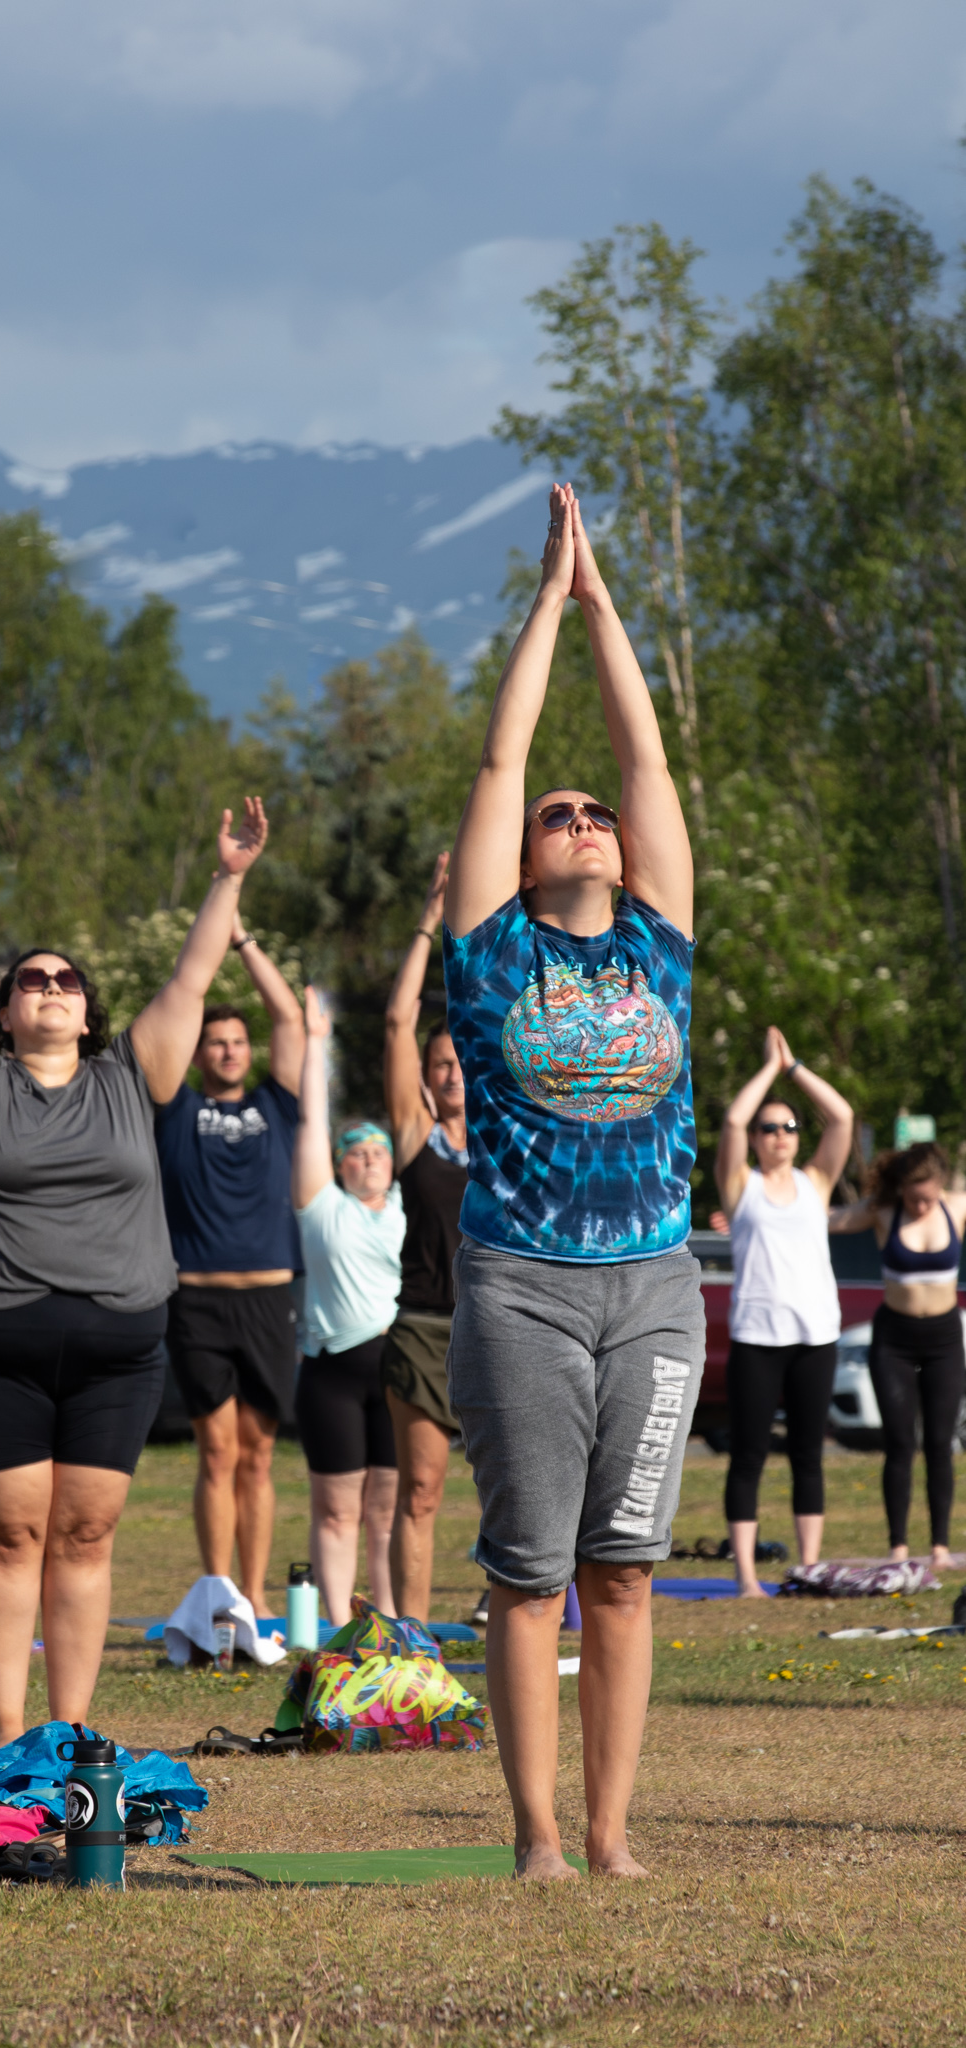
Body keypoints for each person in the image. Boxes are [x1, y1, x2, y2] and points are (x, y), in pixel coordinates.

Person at [0, 772, 269, 1743]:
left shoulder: (133, 1075)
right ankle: (10, 1737)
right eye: (29, 980)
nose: (49, 989)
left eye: (67, 981)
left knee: (86, 1534)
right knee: (11, 1535)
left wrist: (227, 881)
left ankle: (72, 1736)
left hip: (116, 1345)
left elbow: (188, 977)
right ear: (5, 1010)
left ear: (89, 1012)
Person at [442, 481, 705, 1881]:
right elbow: (497, 771)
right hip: (524, 1289)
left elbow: (650, 768)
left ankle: (611, 1835)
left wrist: (610, 608)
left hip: (657, 1287)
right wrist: (544, 603)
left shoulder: (658, 944)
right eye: (564, 816)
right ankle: (536, 1836)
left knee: (623, 1569)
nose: (587, 818)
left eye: (595, 815)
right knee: (531, 1572)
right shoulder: (491, 957)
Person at [155, 921, 304, 1617]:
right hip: (197, 1301)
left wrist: (245, 942)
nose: (227, 1049)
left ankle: (254, 1597)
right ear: (197, 1051)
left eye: (237, 1042)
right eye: (215, 1041)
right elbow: (177, 1014)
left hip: (271, 1299)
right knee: (216, 1452)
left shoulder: (278, 1103)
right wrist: (204, 954)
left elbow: (289, 1017)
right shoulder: (175, 1110)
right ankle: (217, 1596)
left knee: (258, 1454)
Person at [715, 1025, 855, 1596]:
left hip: (814, 1335)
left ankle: (809, 1568)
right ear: (757, 1138)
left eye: (788, 1127)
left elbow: (842, 1117)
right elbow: (729, 1122)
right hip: (756, 1336)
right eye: (769, 1128)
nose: (779, 1135)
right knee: (748, 1455)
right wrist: (767, 1073)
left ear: (799, 1139)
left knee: (807, 1456)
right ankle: (747, 1575)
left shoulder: (816, 1182)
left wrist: (794, 1066)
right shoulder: (740, 1185)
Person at [291, 988, 405, 1628]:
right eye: (356, 1152)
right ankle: (338, 1624)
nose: (368, 1160)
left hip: (395, 1374)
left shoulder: (406, 1212)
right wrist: (315, 1043)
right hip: (331, 1372)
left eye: (379, 1151)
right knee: (336, 1509)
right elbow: (310, 1123)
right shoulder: (321, 1207)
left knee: (386, 1510)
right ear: (339, 1165)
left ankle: (387, 1618)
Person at [381, 851, 467, 1621]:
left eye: (456, 1061)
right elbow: (397, 1019)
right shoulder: (415, 1135)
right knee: (422, 1490)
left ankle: (521, 1614)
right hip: (423, 1326)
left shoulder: (509, 1132)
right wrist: (430, 920)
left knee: (524, 1491)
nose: (447, 1072)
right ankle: (412, 1634)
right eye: (437, 1064)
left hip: (504, 1320)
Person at [830, 1141, 966, 1569]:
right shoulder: (883, 1211)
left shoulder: (957, 1208)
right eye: (913, 1198)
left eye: (927, 1197)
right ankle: (898, 1548)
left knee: (940, 1443)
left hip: (944, 1338)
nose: (921, 1205)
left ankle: (940, 1548)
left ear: (941, 1185)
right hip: (894, 1341)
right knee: (900, 1443)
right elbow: (826, 1220)